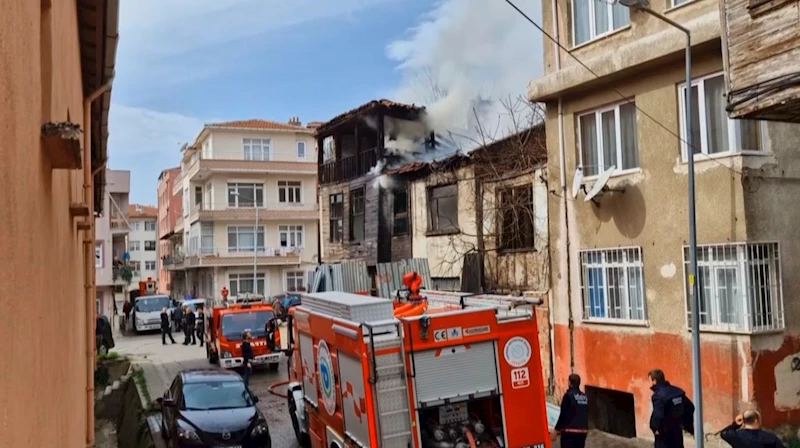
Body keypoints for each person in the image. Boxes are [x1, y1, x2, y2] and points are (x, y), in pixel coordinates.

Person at [649, 368, 695, 448]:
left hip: (664, 434)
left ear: (654, 381)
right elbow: (690, 407)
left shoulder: (658, 396)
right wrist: (686, 423)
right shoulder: (678, 392)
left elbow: (658, 415)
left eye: (649, 380)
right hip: (677, 430)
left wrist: (655, 428)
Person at [553, 373, 589, 448]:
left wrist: (556, 430)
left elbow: (563, 414)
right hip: (582, 432)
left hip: (569, 432)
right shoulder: (584, 397)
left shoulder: (568, 396)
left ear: (569, 382)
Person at [720, 410, 785, 448]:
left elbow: (723, 433)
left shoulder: (735, 436)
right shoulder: (770, 438)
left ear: (743, 421)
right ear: (756, 421)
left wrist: (735, 424)